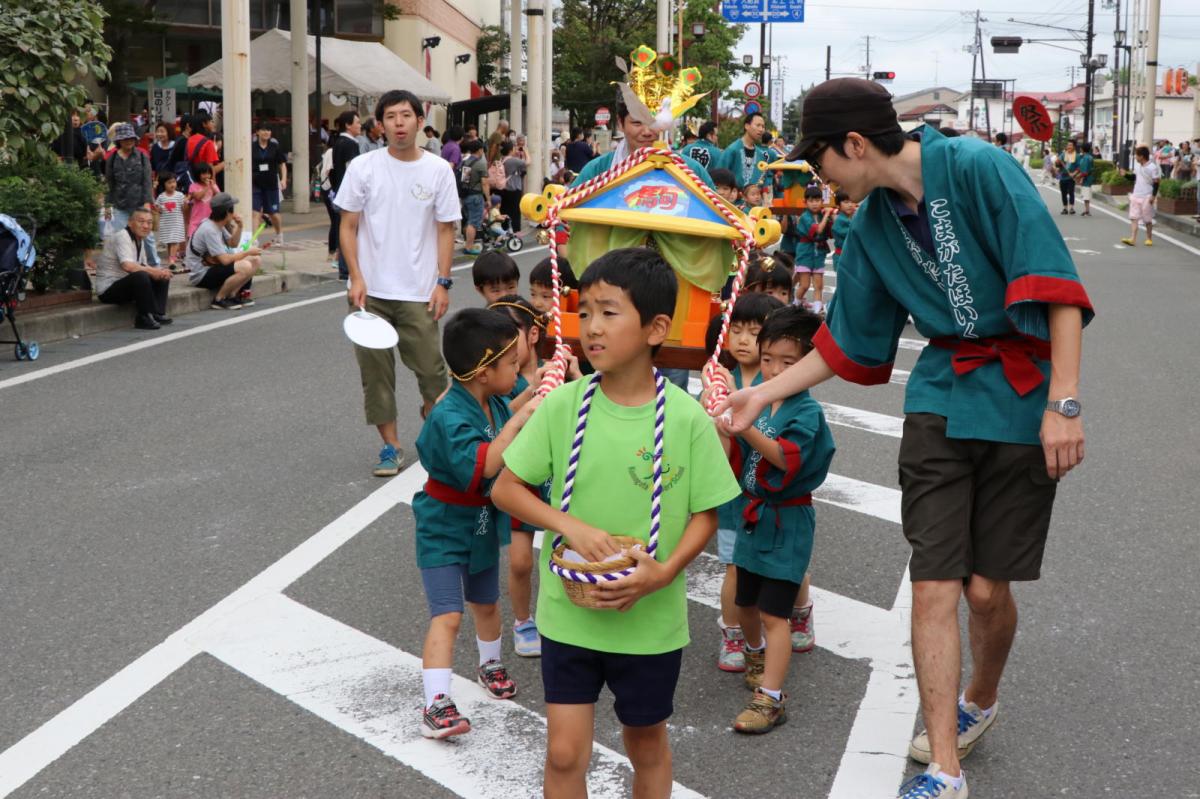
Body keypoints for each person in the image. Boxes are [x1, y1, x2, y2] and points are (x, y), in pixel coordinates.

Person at [720, 78, 1093, 799]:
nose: (820, 177)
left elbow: (1056, 286)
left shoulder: (979, 167)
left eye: (820, 159)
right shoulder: (869, 227)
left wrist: (1066, 403)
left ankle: (981, 692)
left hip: (1020, 392)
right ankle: (944, 770)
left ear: (855, 145)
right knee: (935, 583)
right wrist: (760, 393)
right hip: (941, 394)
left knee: (986, 592)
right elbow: (845, 339)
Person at [492, 247, 740, 799]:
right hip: (568, 615)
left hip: (650, 622)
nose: (591, 329)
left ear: (656, 328)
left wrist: (665, 571)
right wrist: (570, 527)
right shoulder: (564, 406)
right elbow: (505, 488)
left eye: (609, 312)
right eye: (584, 313)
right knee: (562, 754)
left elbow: (707, 512)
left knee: (646, 742)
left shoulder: (686, 417)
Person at [412, 308, 541, 739]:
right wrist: (524, 417)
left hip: (481, 519)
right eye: (510, 365)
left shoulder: (491, 399)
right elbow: (485, 463)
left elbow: (513, 410)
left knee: (486, 602)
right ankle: (436, 703)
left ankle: (489, 665)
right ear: (484, 372)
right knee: (447, 615)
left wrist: (541, 395)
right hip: (443, 524)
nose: (517, 371)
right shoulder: (449, 416)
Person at [716, 304, 834, 734]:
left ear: (809, 365)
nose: (773, 369)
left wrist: (743, 427)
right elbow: (737, 457)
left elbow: (786, 458)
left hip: (787, 522)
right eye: (768, 359)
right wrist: (723, 425)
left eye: (789, 362)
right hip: (753, 515)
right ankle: (756, 654)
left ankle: (771, 698)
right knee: (746, 603)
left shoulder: (806, 412)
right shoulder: (760, 402)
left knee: (774, 614)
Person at [338, 89, 457, 476]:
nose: (399, 123)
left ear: (420, 121)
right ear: (380, 124)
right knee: (376, 375)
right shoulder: (363, 167)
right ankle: (390, 446)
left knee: (431, 371)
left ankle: (438, 431)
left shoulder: (438, 170)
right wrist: (356, 276)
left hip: (418, 292)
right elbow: (348, 225)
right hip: (371, 293)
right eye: (391, 117)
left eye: (406, 115)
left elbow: (444, 230)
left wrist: (442, 282)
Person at [701, 292, 784, 674]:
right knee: (735, 565)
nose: (744, 339)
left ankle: (798, 611)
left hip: (775, 495)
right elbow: (713, 450)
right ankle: (733, 632)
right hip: (735, 494)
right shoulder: (719, 379)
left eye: (755, 332)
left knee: (784, 564)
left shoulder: (781, 381)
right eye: (736, 330)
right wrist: (710, 403)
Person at [487, 294, 558, 658]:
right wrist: (531, 394)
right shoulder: (502, 380)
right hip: (519, 476)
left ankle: (560, 613)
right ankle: (522, 620)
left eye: (508, 332)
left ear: (532, 334)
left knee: (563, 550)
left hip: (557, 472)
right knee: (520, 560)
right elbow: (501, 421)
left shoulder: (556, 366)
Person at [92, 207, 173, 330]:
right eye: (141, 221)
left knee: (162, 276)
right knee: (141, 275)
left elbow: (143, 265)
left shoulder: (139, 239)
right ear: (130, 222)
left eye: (149, 222)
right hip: (108, 289)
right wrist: (153, 271)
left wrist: (160, 272)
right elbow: (128, 265)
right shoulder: (122, 236)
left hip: (126, 284)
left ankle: (157, 313)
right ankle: (143, 317)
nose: (146, 226)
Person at [186, 192, 261, 309]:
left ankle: (233, 295)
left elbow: (233, 243)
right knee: (245, 265)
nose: (234, 213)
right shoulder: (209, 229)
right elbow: (225, 260)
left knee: (255, 260)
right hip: (201, 274)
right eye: (232, 210)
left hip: (212, 267)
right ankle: (219, 299)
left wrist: (240, 226)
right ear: (227, 212)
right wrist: (247, 252)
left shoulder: (217, 225)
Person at [105, 123, 160, 267]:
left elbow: (147, 181)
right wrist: (107, 208)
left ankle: (155, 265)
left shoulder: (142, 156)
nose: (128, 141)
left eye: (131, 138)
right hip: (119, 203)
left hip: (140, 202)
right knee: (120, 235)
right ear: (119, 141)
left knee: (147, 237)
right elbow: (109, 184)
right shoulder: (111, 158)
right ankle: (127, 264)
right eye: (125, 138)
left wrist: (148, 203)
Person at [329, 111, 362, 279]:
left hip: (340, 191)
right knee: (350, 230)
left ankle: (344, 268)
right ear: (348, 125)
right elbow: (352, 169)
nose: (360, 125)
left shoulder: (338, 142)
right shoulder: (350, 144)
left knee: (344, 228)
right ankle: (347, 268)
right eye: (357, 122)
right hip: (350, 192)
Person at [791, 186, 834, 311]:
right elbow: (819, 229)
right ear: (806, 202)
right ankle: (795, 304)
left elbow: (831, 232)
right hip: (805, 252)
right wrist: (827, 214)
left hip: (819, 252)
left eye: (817, 200)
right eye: (811, 201)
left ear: (822, 201)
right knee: (804, 285)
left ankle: (817, 311)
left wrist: (831, 215)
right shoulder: (805, 217)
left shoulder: (821, 215)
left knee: (819, 285)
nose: (815, 204)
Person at [251, 120, 288, 244]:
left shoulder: (274, 147)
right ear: (257, 132)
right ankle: (254, 238)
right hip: (256, 183)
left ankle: (279, 234)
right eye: (263, 129)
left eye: (268, 130)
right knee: (255, 212)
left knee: (273, 213)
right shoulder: (252, 147)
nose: (266, 132)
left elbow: (282, 164)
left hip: (271, 183)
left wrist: (283, 179)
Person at [1122, 144, 1161, 247]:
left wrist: (1153, 196)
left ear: (1142, 156)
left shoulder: (1152, 167)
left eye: (1136, 155)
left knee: (1147, 219)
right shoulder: (1138, 167)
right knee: (1134, 217)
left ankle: (1149, 238)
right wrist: (1125, 174)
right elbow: (1134, 177)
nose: (1135, 157)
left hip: (1147, 196)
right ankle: (1133, 239)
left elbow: (1156, 182)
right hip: (1136, 195)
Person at [720, 111, 770, 190]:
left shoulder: (761, 155)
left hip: (755, 201)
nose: (761, 129)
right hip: (732, 201)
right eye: (758, 125)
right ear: (747, 126)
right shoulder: (732, 150)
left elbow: (764, 181)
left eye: (763, 126)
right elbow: (719, 177)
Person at [460, 138, 489, 255]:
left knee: (468, 221)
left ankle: (468, 243)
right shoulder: (481, 163)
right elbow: (485, 183)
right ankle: (469, 247)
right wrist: (488, 199)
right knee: (473, 223)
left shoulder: (466, 161)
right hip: (476, 197)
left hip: (466, 195)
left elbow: (464, 180)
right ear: (480, 150)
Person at [154, 172, 187, 269]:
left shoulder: (180, 195)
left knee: (175, 241)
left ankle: (172, 260)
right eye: (169, 182)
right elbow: (157, 207)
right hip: (166, 223)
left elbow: (183, 208)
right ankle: (171, 258)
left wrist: (186, 202)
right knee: (169, 242)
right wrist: (158, 209)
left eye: (174, 182)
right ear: (163, 184)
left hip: (177, 223)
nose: (172, 184)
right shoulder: (161, 196)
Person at [186, 162, 218, 240]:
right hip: (196, 221)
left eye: (208, 173)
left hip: (210, 220)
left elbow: (219, 197)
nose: (207, 176)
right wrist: (207, 187)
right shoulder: (193, 186)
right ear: (198, 174)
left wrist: (213, 187)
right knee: (193, 240)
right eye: (204, 174)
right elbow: (198, 197)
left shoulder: (213, 185)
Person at [500, 140, 527, 232]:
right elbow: (528, 162)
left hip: (503, 188)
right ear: (510, 150)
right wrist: (526, 151)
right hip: (514, 189)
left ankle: (504, 229)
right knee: (515, 212)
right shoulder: (513, 161)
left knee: (505, 210)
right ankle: (515, 231)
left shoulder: (501, 159)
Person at [830, 190, 856, 272]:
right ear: (838, 205)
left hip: (852, 256)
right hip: (842, 257)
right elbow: (855, 233)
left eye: (852, 202)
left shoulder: (852, 218)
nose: (850, 205)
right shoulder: (840, 220)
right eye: (846, 202)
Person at [1071, 140, 1095, 217]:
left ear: (1082, 149)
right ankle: (1086, 210)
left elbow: (1084, 171)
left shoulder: (1085, 158)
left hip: (1086, 179)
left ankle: (1087, 210)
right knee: (1086, 194)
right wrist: (1075, 174)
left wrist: (1077, 176)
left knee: (1086, 195)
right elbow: (1080, 168)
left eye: (1081, 148)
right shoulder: (1089, 157)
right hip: (1088, 178)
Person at [1057, 139, 1079, 214]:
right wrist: (1057, 161)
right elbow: (1057, 163)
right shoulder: (1063, 154)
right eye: (1068, 145)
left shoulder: (1077, 156)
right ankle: (1065, 208)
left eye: (1070, 145)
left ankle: (1072, 208)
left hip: (1071, 177)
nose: (1068, 146)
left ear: (1074, 147)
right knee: (1063, 193)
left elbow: (1079, 167)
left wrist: (1074, 173)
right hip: (1063, 176)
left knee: (1071, 192)